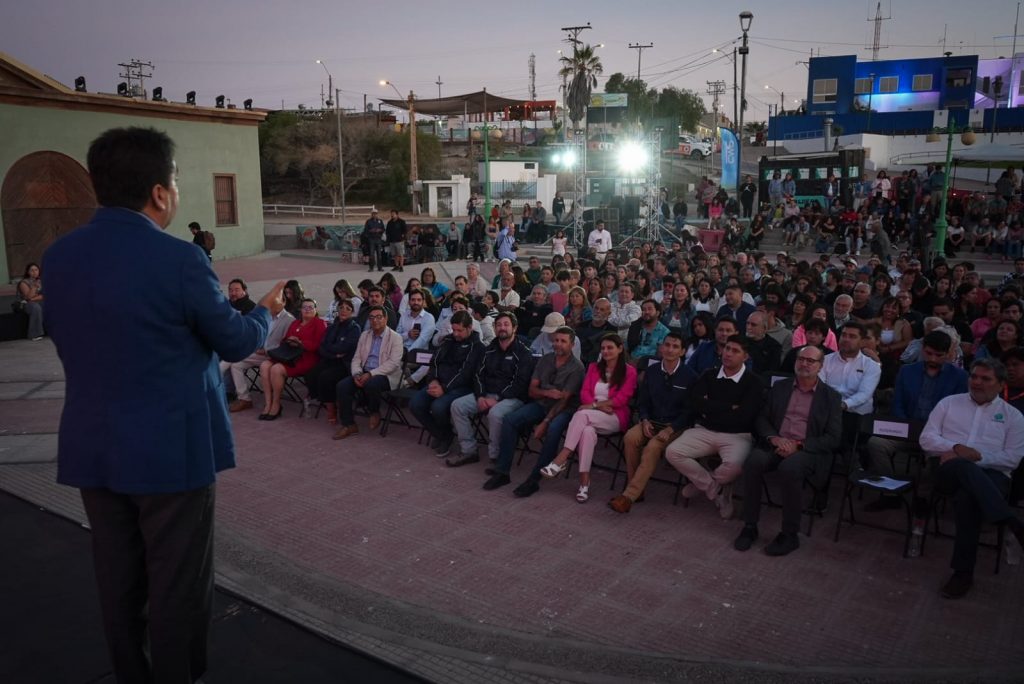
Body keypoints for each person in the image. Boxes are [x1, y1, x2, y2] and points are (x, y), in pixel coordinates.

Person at [42, 126, 283, 683]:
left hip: (94, 446)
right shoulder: (180, 259)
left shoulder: (59, 256)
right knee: (177, 586)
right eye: (174, 181)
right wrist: (264, 311)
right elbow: (235, 341)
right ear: (158, 192)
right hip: (172, 453)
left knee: (118, 580)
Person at [920, 358, 1024, 598]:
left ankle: (963, 573)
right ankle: (1011, 521)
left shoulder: (1013, 417)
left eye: (986, 379)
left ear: (1001, 384)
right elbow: (926, 438)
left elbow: (1012, 459)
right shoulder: (949, 403)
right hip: (947, 471)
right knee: (961, 468)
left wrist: (976, 457)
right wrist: (956, 448)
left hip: (992, 475)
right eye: (974, 376)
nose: (977, 382)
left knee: (969, 498)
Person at [734, 345, 843, 556]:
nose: (804, 364)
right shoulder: (781, 387)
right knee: (753, 462)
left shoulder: (831, 398)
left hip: (807, 450)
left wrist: (798, 445)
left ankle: (790, 534)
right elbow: (762, 418)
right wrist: (774, 438)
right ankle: (750, 526)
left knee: (790, 468)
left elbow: (833, 438)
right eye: (801, 359)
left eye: (811, 361)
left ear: (820, 366)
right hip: (777, 443)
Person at [665, 335, 763, 519]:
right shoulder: (709, 375)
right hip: (705, 430)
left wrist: (710, 407)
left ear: (745, 356)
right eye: (727, 348)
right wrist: (729, 407)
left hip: (737, 434)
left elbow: (745, 415)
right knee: (673, 452)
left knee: (734, 467)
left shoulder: (754, 382)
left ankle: (701, 484)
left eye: (735, 351)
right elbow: (695, 403)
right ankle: (716, 489)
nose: (728, 353)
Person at [485, 326, 586, 492]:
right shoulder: (545, 360)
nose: (558, 344)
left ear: (572, 345)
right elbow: (532, 391)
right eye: (556, 340)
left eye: (563, 341)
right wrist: (547, 393)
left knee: (553, 429)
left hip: (564, 409)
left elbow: (563, 401)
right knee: (510, 420)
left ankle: (534, 479)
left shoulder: (577, 368)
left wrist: (545, 422)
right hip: (542, 403)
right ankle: (502, 472)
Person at [540, 333, 638, 503]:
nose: (605, 351)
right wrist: (597, 406)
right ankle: (584, 483)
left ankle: (562, 458)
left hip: (613, 416)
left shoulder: (630, 372)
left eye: (610, 348)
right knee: (586, 432)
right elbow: (584, 393)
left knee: (581, 414)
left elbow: (622, 399)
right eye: (603, 348)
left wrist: (594, 406)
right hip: (592, 414)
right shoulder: (594, 367)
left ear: (620, 349)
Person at [608, 332, 698, 513]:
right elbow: (643, 401)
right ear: (661, 347)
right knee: (630, 438)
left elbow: (689, 412)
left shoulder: (690, 376)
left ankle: (628, 496)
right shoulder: (652, 371)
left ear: (682, 352)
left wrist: (671, 429)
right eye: (667, 345)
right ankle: (637, 491)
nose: (670, 350)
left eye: (675, 346)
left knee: (652, 447)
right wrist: (644, 419)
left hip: (674, 426)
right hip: (651, 421)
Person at [446, 312, 534, 467]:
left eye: (506, 324)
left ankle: (496, 456)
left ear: (514, 328)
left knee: (495, 413)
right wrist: (480, 396)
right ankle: (469, 451)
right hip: (486, 394)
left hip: (512, 397)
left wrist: (497, 399)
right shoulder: (489, 350)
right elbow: (478, 375)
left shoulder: (523, 352)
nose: (502, 328)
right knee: (457, 406)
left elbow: (520, 383)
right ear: (494, 327)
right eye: (498, 325)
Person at [410, 311, 484, 456]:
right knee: (415, 404)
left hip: (461, 387)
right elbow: (434, 362)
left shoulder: (477, 347)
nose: (455, 334)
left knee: (438, 407)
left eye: (459, 330)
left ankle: (444, 436)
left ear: (470, 328)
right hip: (439, 382)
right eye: (453, 330)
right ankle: (443, 434)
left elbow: (465, 374)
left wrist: (444, 388)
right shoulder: (448, 340)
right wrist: (433, 379)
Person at [332, 305, 404, 439]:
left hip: (386, 375)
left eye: (379, 317)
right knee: (342, 386)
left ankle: (374, 411)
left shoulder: (396, 338)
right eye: (371, 317)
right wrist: (357, 374)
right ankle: (349, 425)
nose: (375, 320)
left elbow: (393, 364)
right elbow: (357, 358)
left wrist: (371, 374)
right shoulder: (365, 335)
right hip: (364, 372)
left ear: (385, 319)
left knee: (372, 384)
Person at [258, 298, 327, 420]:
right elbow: (284, 340)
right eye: (304, 307)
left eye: (310, 307)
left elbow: (318, 345)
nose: (307, 310)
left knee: (276, 369)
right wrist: (290, 340)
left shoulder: (319, 323)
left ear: (315, 310)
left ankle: (276, 404)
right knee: (264, 365)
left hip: (306, 358)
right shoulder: (295, 323)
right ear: (301, 310)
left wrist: (301, 343)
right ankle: (268, 403)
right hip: (289, 355)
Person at [818, 321, 882, 450]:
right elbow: (819, 386)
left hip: (855, 414)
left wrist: (843, 405)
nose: (846, 339)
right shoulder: (825, 360)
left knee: (841, 428)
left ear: (862, 342)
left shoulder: (872, 366)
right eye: (844, 335)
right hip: (827, 410)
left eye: (852, 336)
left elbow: (864, 394)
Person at [221, 304, 293, 413]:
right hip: (259, 353)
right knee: (236, 365)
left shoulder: (289, 320)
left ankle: (211, 377)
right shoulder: (267, 316)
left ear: (282, 302)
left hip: (273, 356)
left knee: (233, 356)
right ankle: (245, 399)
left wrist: (266, 350)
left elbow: (286, 344)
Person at [306, 299, 361, 424]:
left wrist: (330, 348)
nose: (343, 311)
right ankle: (327, 401)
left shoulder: (354, 328)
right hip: (331, 359)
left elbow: (345, 348)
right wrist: (333, 354)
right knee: (311, 374)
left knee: (326, 377)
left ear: (352, 312)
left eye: (348, 309)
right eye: (341, 307)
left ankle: (331, 409)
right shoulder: (332, 327)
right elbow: (321, 346)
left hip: (344, 363)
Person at [626, 299, 670, 365]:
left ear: (657, 313)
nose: (646, 312)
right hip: (631, 361)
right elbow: (627, 346)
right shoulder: (635, 326)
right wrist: (628, 361)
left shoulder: (664, 332)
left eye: (650, 309)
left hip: (651, 364)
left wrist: (641, 362)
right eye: (644, 309)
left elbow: (660, 355)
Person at [15, 262, 45, 340]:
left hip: (37, 301)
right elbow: (28, 297)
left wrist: (33, 299)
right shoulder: (23, 283)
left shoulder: (43, 281)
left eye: (36, 270)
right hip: (26, 304)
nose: (34, 272)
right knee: (35, 307)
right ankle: (34, 334)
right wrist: (34, 286)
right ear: (28, 272)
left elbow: (45, 295)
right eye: (32, 270)